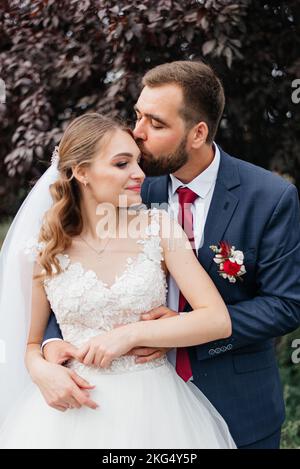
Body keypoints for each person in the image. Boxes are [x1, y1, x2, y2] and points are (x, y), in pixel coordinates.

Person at [43, 61, 300, 449]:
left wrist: (177, 331)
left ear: (197, 133)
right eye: (137, 116)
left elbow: (286, 304)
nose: (137, 133)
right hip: (117, 410)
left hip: (236, 404)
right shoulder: (125, 184)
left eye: (156, 124)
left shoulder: (269, 197)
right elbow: (67, 271)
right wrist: (45, 349)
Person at [0, 113, 236, 449]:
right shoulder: (47, 247)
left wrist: (130, 335)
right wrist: (40, 369)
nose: (139, 174)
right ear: (81, 172)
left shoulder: (160, 228)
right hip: (69, 417)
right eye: (122, 164)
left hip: (156, 412)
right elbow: (30, 343)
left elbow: (217, 320)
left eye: (138, 162)